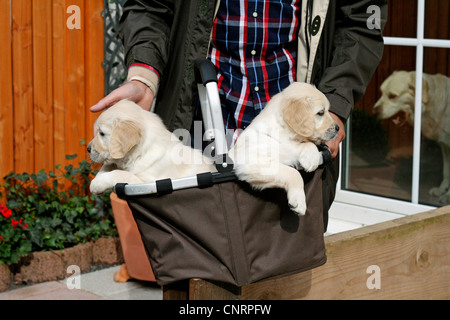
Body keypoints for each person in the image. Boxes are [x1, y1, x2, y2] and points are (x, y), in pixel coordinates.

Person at [90, 0, 387, 231]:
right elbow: (148, 6)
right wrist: (144, 74)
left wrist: (333, 102)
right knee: (195, 276)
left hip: (291, 136)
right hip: (196, 132)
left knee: (286, 272)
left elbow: (363, 19)